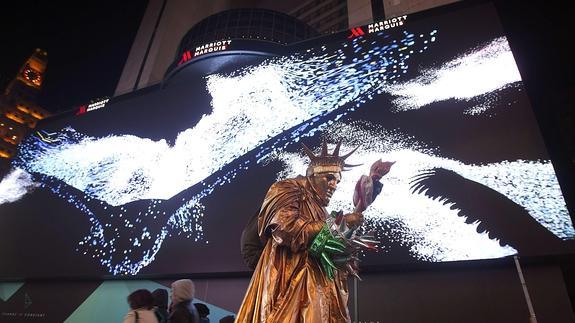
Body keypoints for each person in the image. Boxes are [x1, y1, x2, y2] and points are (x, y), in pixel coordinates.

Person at [235, 140, 363, 322]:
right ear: (312, 174)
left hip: (319, 286)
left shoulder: (320, 209)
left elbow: (323, 243)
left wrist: (345, 245)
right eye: (329, 178)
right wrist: (338, 222)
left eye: (337, 180)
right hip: (290, 281)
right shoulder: (287, 188)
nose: (335, 185)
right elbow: (287, 229)